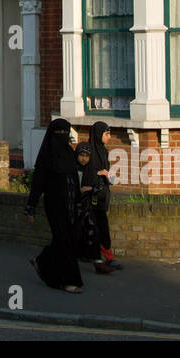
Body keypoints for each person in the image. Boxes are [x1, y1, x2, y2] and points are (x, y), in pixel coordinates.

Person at [23, 118, 84, 293]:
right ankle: (68, 281)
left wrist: (79, 203)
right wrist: (31, 207)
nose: (62, 137)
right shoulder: (46, 156)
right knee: (63, 240)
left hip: (71, 204)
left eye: (65, 133)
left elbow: (74, 179)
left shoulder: (69, 153)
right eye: (59, 133)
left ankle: (42, 261)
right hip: (55, 205)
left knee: (67, 240)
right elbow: (38, 183)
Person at [86, 121, 123, 271]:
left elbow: (108, 175)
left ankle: (103, 256)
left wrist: (108, 175)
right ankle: (105, 257)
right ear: (98, 134)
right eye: (106, 134)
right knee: (96, 227)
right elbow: (83, 173)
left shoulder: (104, 152)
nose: (109, 137)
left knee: (101, 226)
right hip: (91, 196)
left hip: (102, 196)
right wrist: (98, 174)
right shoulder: (88, 152)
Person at [74, 142, 112, 274]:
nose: (84, 159)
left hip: (87, 206)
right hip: (74, 207)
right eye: (81, 155)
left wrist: (89, 188)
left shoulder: (91, 170)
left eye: (86, 156)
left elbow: (97, 187)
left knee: (93, 232)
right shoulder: (74, 170)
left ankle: (97, 261)